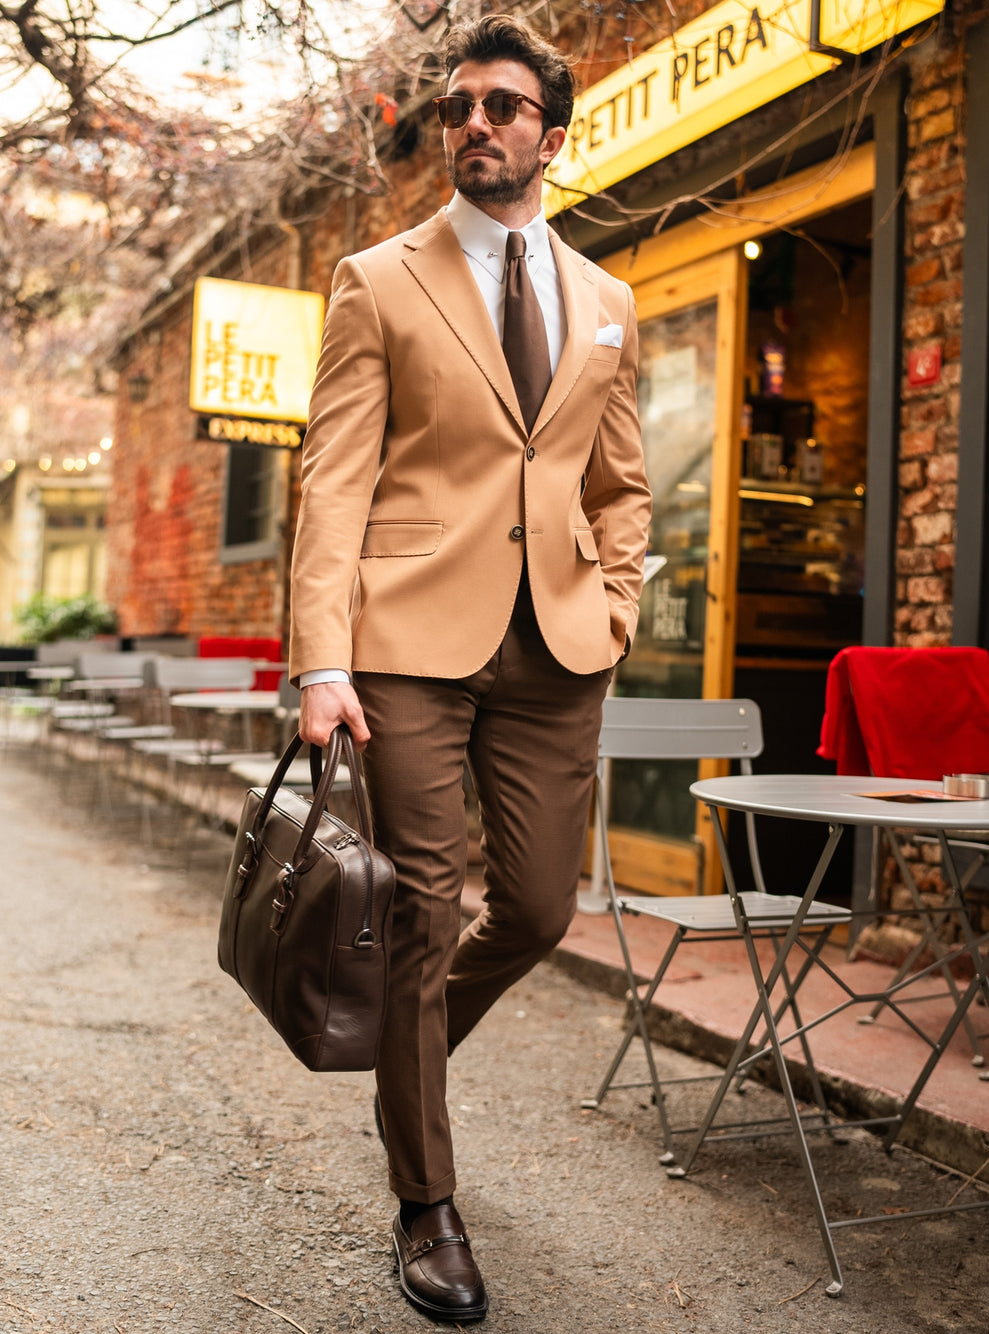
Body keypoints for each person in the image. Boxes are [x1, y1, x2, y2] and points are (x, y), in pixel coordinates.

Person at [289, 13, 651, 1324]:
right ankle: (426, 1201)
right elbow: (331, 481)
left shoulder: (605, 301)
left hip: (558, 649)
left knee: (544, 909)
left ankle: (409, 1038)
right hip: (408, 651)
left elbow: (620, 481)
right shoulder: (378, 280)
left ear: (552, 137)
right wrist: (321, 659)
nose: (475, 124)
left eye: (503, 106)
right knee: (427, 907)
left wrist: (614, 605)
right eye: (459, 108)